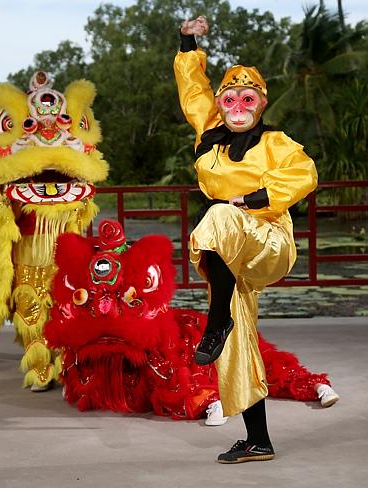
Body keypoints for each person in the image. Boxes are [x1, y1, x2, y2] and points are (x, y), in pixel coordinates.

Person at [174, 15, 325, 463]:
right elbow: (191, 87)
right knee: (237, 341)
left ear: (260, 103)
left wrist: (254, 197)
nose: (238, 104)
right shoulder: (209, 134)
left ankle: (214, 320)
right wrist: (187, 40)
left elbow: (305, 174)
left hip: (269, 238)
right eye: (230, 97)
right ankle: (258, 438)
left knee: (217, 213)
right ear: (221, 103)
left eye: (248, 97)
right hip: (229, 249)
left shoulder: (275, 141)